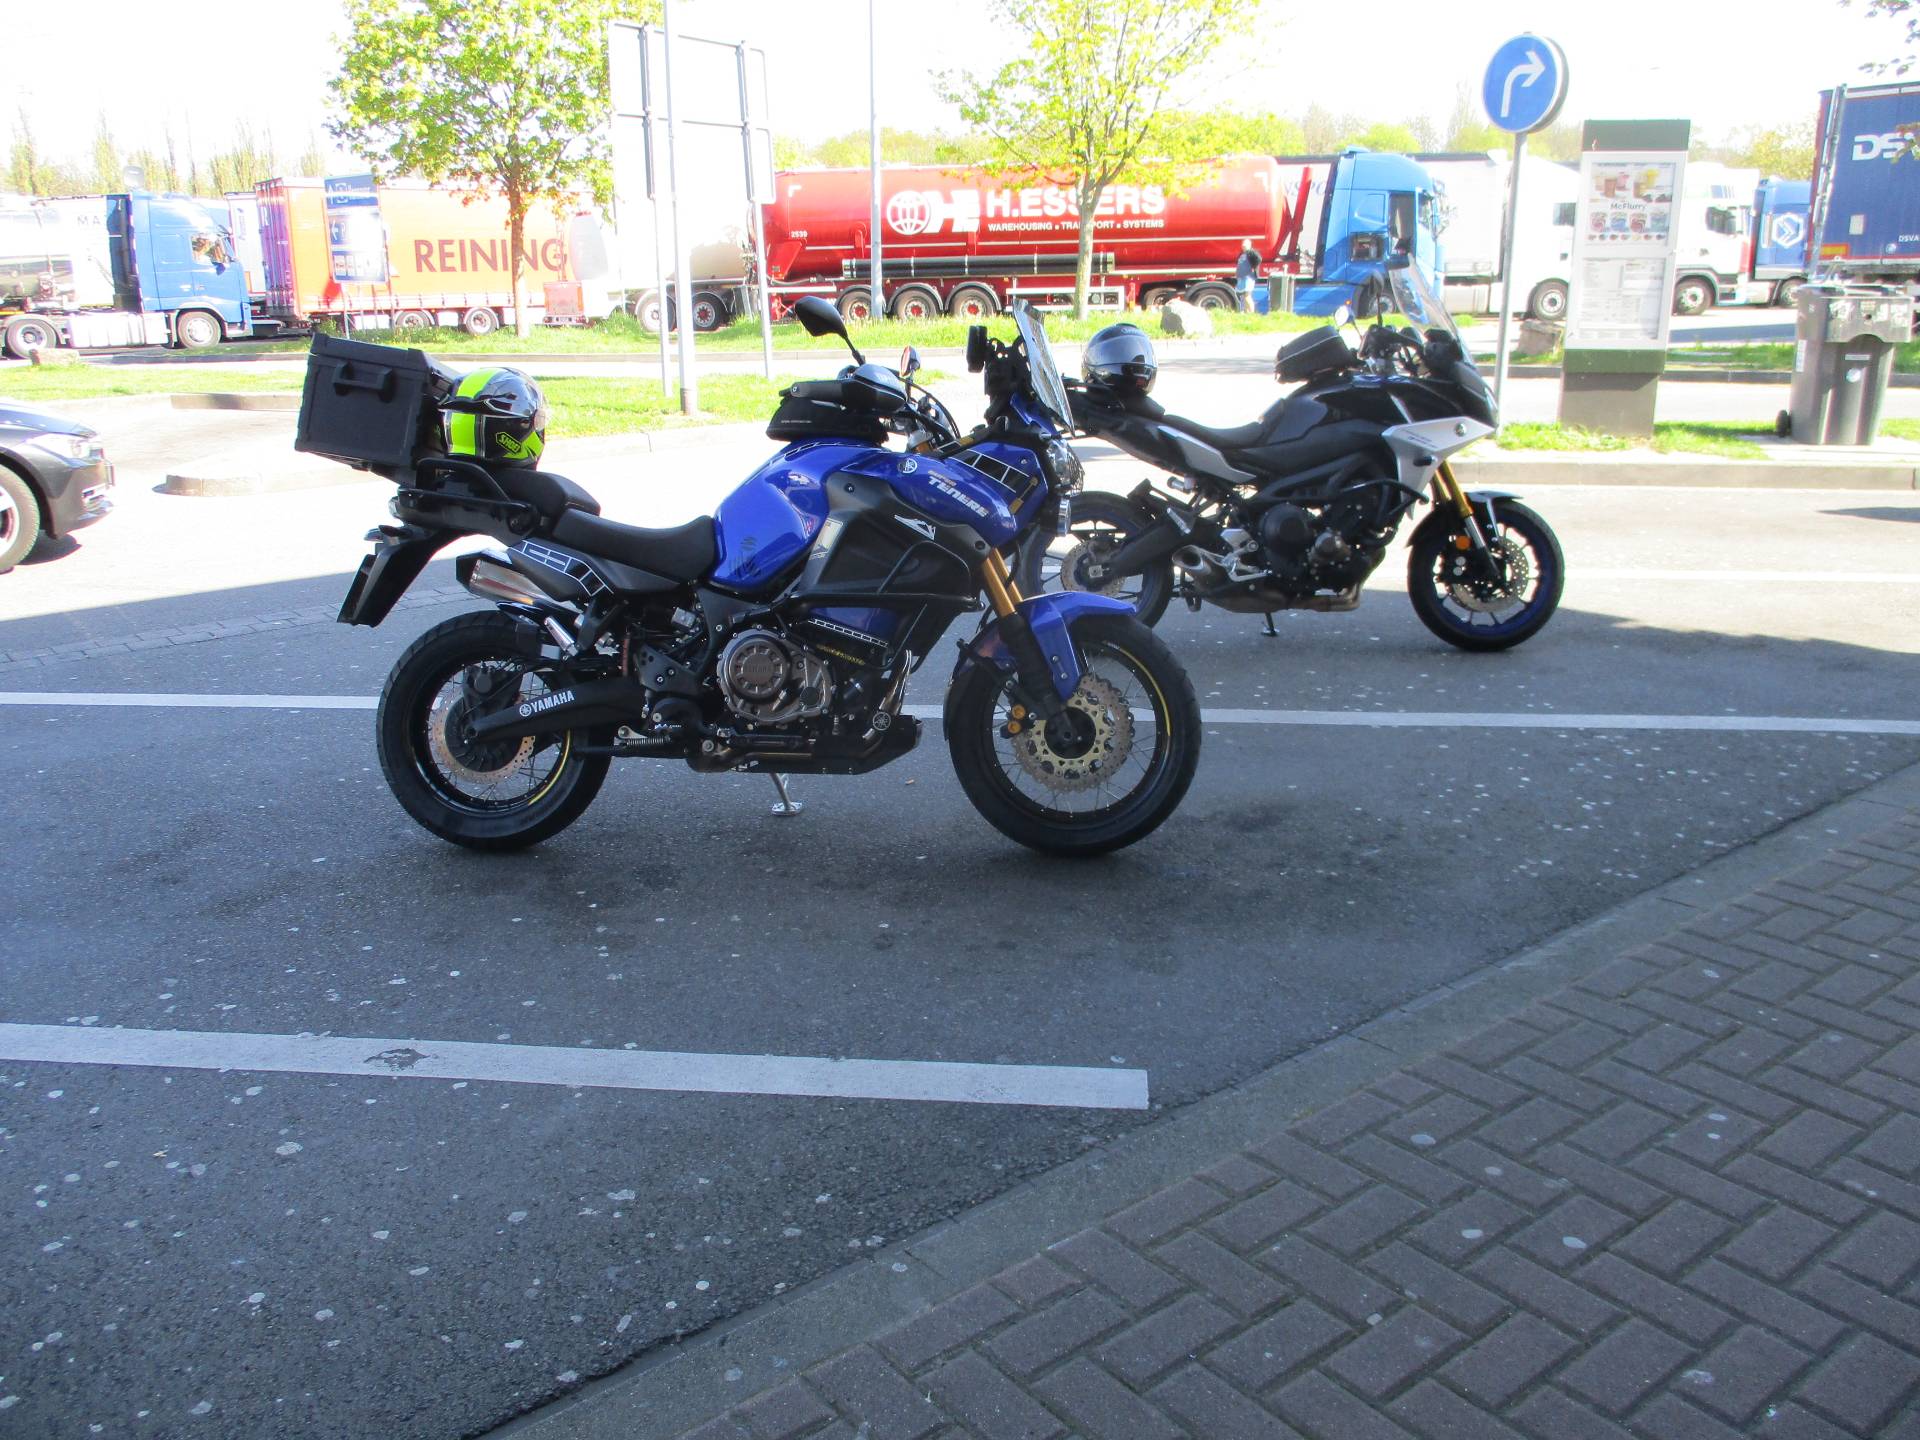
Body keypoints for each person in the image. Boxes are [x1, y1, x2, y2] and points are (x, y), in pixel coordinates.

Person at [1234, 240, 1262, 312]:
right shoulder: (1242, 254)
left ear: (1249, 245)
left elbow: (1259, 259)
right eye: (1243, 245)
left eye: (1245, 245)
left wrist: (1253, 267)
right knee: (1244, 296)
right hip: (1242, 277)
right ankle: (1247, 312)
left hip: (1248, 277)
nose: (1243, 246)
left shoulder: (1251, 252)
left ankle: (1251, 313)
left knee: (1247, 296)